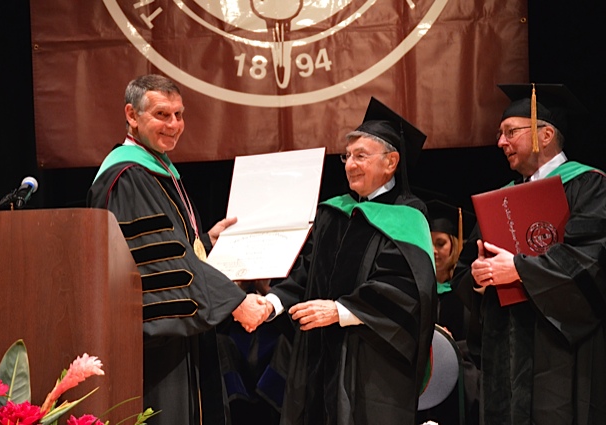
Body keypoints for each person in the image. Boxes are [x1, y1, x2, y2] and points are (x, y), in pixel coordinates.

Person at [239, 97, 438, 424]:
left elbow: (404, 289)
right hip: (317, 356)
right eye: (347, 156)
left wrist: (341, 311)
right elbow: (306, 273)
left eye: (361, 156)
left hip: (371, 363)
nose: (349, 164)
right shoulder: (333, 212)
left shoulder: (408, 219)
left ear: (391, 162)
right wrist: (271, 303)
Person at [87, 74, 266, 425]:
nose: (174, 125)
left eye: (179, 115)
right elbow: (160, 262)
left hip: (180, 339)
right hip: (155, 349)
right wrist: (234, 301)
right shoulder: (128, 176)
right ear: (131, 115)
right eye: (161, 115)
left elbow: (172, 249)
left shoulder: (158, 169)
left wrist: (207, 242)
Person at [454, 83, 606, 424]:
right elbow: (464, 269)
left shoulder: (588, 186)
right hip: (503, 358)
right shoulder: (501, 198)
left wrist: (520, 270)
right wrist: (479, 276)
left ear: (546, 133)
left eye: (510, 132)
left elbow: (593, 259)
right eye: (500, 134)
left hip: (560, 352)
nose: (500, 143)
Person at [417, 200, 480, 425]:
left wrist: (449, 345)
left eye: (441, 243)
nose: (433, 250)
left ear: (454, 245)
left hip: (461, 383)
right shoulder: (416, 291)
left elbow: (479, 341)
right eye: (429, 242)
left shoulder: (468, 291)